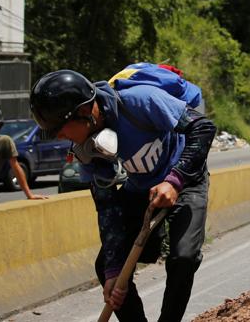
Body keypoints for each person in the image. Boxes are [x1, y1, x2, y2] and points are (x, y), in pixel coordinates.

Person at [30, 69, 216, 322]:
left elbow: (203, 128)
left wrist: (175, 180)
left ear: (85, 112)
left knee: (183, 258)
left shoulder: (140, 101)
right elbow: (107, 207)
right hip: (141, 189)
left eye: (60, 131)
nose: (61, 138)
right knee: (107, 267)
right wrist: (114, 271)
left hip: (185, 179)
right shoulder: (87, 149)